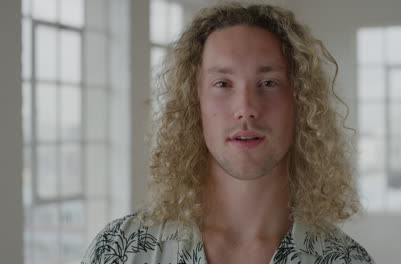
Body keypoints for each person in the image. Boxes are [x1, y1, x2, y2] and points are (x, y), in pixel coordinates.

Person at [81, 3, 375, 264]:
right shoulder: (118, 251)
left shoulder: (347, 259)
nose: (246, 108)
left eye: (268, 83)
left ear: (301, 100)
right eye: (223, 84)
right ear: (194, 102)